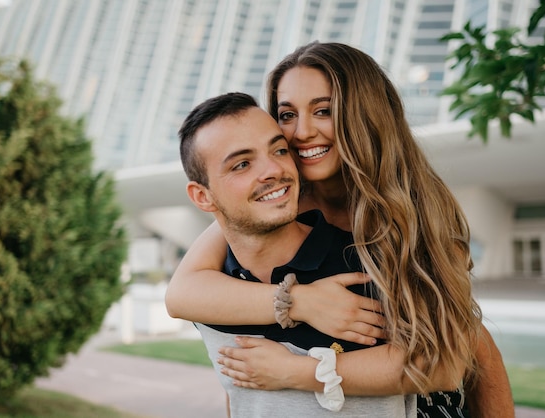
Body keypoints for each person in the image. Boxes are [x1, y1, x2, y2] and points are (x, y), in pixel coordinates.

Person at [167, 41, 514, 417]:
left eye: (323, 110)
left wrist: (300, 372)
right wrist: (301, 301)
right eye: (287, 114)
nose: (301, 132)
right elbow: (184, 294)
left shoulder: (413, 213)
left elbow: (456, 354)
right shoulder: (278, 201)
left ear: (364, 114)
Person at [178, 91, 430, 416]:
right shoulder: (213, 288)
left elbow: (438, 364)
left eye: (279, 150)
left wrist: (303, 371)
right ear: (202, 197)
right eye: (242, 164)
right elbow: (241, 398)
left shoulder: (370, 262)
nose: (273, 169)